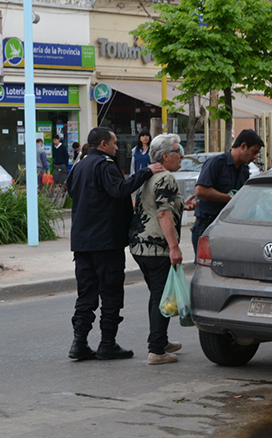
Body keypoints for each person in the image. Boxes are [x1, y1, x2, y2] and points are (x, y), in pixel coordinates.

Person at [66, 127, 164, 361]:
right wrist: (145, 173)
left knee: (86, 295)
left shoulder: (78, 167)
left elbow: (72, 193)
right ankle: (107, 343)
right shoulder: (105, 165)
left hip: (82, 243)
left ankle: (79, 343)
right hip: (105, 242)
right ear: (103, 145)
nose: (116, 147)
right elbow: (119, 190)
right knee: (110, 294)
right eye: (114, 143)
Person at [128, 134, 199, 365]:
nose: (182, 155)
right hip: (157, 248)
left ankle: (161, 340)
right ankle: (156, 350)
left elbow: (155, 206)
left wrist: (183, 205)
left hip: (140, 246)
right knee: (161, 296)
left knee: (157, 294)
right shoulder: (166, 178)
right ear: (166, 156)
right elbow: (162, 213)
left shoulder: (150, 176)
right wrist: (174, 247)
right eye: (178, 150)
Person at [191, 129, 264, 256]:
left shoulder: (244, 170)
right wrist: (229, 198)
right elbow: (200, 190)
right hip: (207, 226)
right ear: (243, 146)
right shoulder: (216, 163)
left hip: (228, 227)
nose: (254, 157)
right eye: (254, 152)